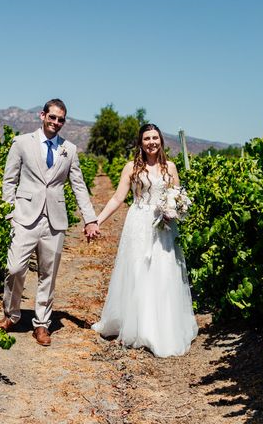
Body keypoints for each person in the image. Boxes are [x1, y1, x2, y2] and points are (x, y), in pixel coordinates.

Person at [0, 98, 100, 346]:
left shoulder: (70, 150)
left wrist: (90, 219)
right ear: (42, 115)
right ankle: (11, 315)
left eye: (61, 119)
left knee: (48, 274)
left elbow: (79, 186)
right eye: (52, 117)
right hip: (24, 216)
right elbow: (9, 181)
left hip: (55, 220)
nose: (56, 122)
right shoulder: (21, 143)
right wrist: (9, 213)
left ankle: (42, 324)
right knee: (14, 269)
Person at [92, 123, 198, 357]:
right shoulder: (131, 167)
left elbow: (178, 197)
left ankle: (161, 327)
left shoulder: (170, 166)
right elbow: (118, 198)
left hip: (163, 227)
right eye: (147, 138)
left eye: (155, 138)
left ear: (161, 140)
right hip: (139, 223)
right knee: (139, 271)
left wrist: (174, 211)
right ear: (140, 143)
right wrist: (97, 221)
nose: (152, 142)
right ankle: (139, 326)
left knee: (163, 272)